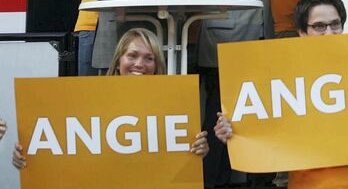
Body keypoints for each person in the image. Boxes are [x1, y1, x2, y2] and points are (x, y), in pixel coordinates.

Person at [213, 0, 348, 189]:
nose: (329, 32)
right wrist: (234, 134)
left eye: (335, 24)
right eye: (319, 26)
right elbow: (264, 138)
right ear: (302, 31)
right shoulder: (281, 79)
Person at [193, 0, 289, 188]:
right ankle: (217, 181)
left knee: (260, 114)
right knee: (221, 118)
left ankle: (261, 180)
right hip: (227, 43)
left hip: (261, 39)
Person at [12, 28, 209, 170]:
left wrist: (199, 150)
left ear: (157, 67)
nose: (140, 64)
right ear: (117, 62)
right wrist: (27, 158)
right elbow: (63, 153)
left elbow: (179, 162)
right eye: (132, 56)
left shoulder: (174, 110)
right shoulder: (89, 106)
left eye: (149, 58)